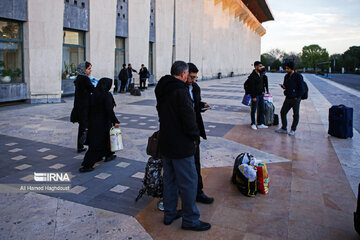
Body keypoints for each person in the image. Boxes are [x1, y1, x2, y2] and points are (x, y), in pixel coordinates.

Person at [155, 61, 211, 231]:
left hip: (166, 142)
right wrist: (195, 136)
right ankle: (190, 220)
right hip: (181, 145)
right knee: (189, 182)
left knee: (170, 180)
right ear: (184, 74)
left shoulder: (162, 87)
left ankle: (170, 213)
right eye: (187, 74)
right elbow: (188, 119)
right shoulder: (181, 91)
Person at [186, 62, 214, 204]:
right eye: (191, 77)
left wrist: (202, 105)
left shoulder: (195, 88)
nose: (194, 80)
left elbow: (194, 105)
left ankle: (198, 191)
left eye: (196, 77)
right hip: (182, 133)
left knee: (196, 162)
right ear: (184, 74)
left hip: (194, 130)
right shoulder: (179, 89)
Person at [79, 78, 120, 172]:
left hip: (93, 123)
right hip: (102, 123)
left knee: (105, 140)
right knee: (95, 145)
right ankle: (87, 165)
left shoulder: (94, 94)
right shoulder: (107, 95)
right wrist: (115, 121)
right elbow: (109, 110)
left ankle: (108, 154)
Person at [71, 61, 95, 153]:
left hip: (79, 106)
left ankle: (80, 145)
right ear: (83, 70)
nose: (90, 71)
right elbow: (92, 89)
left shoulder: (79, 79)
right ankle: (83, 144)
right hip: (85, 106)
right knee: (84, 126)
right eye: (88, 69)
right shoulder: (85, 79)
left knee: (82, 126)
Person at [275, 61, 304, 136]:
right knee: (283, 112)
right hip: (288, 97)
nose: (286, 70)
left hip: (295, 99)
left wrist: (297, 97)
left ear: (292, 68)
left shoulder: (298, 76)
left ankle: (293, 129)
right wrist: (284, 87)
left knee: (295, 114)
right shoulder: (286, 76)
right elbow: (286, 86)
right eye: (285, 68)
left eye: (288, 68)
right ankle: (284, 128)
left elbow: (302, 89)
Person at [246, 61, 268, 130]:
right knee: (254, 110)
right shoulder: (252, 76)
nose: (261, 67)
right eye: (260, 66)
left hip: (261, 95)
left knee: (262, 109)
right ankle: (253, 123)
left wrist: (264, 91)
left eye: (261, 66)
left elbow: (263, 84)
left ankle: (260, 123)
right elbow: (251, 87)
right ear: (255, 67)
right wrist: (253, 96)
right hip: (255, 96)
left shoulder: (261, 74)